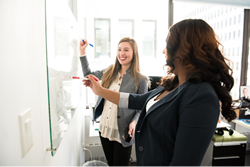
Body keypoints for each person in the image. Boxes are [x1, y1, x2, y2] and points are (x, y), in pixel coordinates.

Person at [82, 19, 237, 166]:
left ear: (185, 49)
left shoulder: (201, 96)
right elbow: (137, 100)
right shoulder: (172, 84)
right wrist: (100, 91)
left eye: (167, 44)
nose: (164, 50)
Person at [79, 37, 148, 166]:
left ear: (134, 53)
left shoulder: (141, 79)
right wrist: (82, 52)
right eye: (119, 49)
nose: (121, 53)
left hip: (123, 131)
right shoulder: (110, 71)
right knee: (111, 164)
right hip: (105, 128)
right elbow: (88, 74)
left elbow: (142, 107)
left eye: (126, 50)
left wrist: (134, 122)